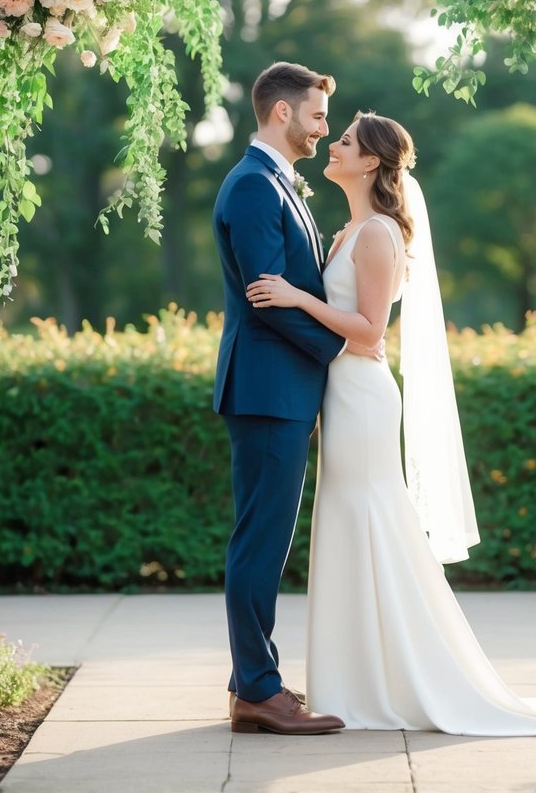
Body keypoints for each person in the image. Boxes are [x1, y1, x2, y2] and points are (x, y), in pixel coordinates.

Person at [246, 112, 536, 735]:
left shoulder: (379, 234)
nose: (334, 145)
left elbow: (371, 334)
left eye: (347, 142)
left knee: (371, 520)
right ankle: (357, 680)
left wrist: (299, 298)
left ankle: (404, 677)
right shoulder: (346, 233)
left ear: (374, 163)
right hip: (341, 396)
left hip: (363, 399)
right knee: (348, 524)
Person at [213, 61, 352, 736]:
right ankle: (259, 692)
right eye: (317, 116)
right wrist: (341, 348)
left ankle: (252, 681)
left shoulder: (275, 182)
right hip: (268, 388)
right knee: (259, 543)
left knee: (264, 539)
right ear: (281, 113)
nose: (324, 129)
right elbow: (265, 297)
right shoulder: (249, 187)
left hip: (283, 387)